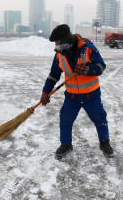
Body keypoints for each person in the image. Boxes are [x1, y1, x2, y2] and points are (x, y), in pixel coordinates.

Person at [41, 24, 114, 159]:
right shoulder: (60, 55)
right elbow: (53, 75)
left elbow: (101, 66)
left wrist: (88, 70)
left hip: (91, 95)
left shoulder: (88, 48)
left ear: (65, 40)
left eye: (58, 42)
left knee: (100, 118)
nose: (56, 45)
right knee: (65, 119)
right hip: (72, 96)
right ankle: (66, 144)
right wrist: (45, 91)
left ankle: (104, 143)